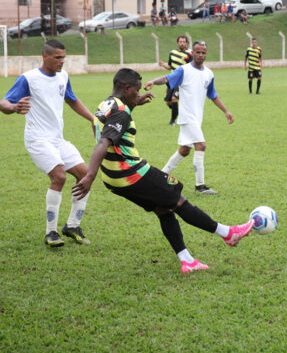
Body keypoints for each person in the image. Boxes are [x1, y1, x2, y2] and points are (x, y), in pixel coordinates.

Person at [72, 68, 255, 273]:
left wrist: (135, 104)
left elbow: (104, 129)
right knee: (177, 198)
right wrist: (89, 175)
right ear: (126, 88)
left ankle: (187, 261)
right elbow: (104, 142)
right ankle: (228, 233)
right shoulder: (121, 112)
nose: (138, 95)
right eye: (136, 91)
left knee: (163, 208)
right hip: (131, 173)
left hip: (113, 179)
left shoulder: (105, 105)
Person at [0, 39, 94, 247]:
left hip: (57, 139)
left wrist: (92, 119)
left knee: (85, 174)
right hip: (37, 139)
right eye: (57, 57)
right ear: (45, 56)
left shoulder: (63, 76)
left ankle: (72, 226)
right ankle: (50, 232)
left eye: (64, 58)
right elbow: (4, 103)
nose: (62, 62)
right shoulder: (28, 79)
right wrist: (14, 108)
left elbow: (71, 99)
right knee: (59, 176)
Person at [145, 41, 233, 195]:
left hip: (196, 118)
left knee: (184, 150)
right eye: (197, 52)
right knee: (201, 145)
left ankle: (159, 177)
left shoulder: (209, 74)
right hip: (187, 117)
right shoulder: (183, 71)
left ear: (206, 54)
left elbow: (212, 95)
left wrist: (225, 111)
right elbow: (167, 79)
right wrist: (153, 81)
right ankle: (200, 186)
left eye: (203, 52)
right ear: (192, 53)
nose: (200, 55)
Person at [158, 35, 193, 126]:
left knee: (174, 99)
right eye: (180, 41)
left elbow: (192, 68)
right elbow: (170, 67)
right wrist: (162, 64)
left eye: (184, 42)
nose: (182, 43)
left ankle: (172, 121)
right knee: (168, 102)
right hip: (171, 80)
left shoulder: (189, 55)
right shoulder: (172, 53)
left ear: (187, 44)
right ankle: (180, 111)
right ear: (178, 43)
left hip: (181, 81)